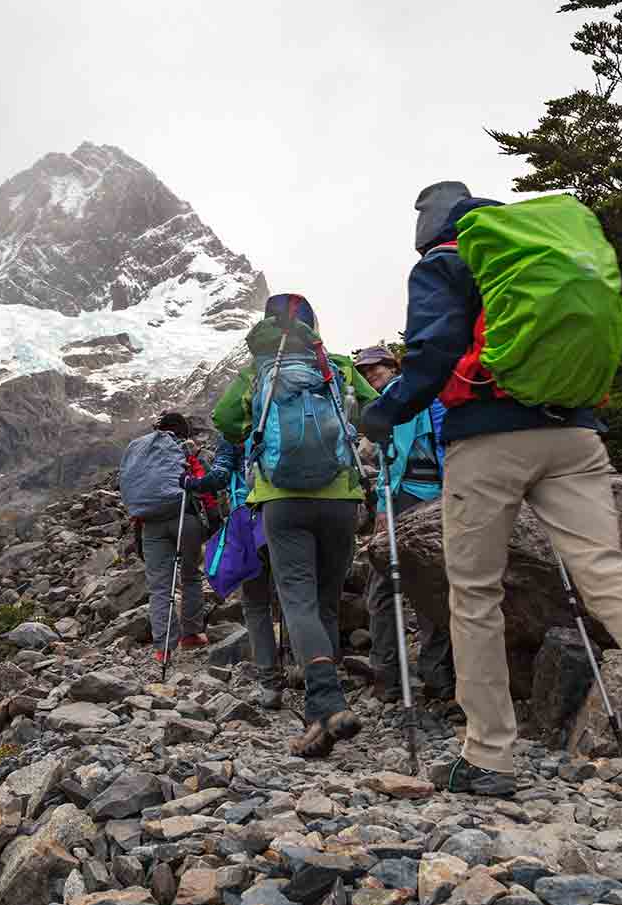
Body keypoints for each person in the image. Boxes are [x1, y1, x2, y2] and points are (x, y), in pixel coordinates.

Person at [361, 181, 622, 807]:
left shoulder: (445, 260)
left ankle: (488, 756)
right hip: (574, 434)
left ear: (427, 225)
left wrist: (387, 409)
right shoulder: (536, 250)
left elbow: (434, 353)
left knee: (474, 593)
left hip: (490, 439)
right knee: (611, 579)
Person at [211, 293, 380, 755]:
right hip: (341, 498)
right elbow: (376, 411)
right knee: (325, 602)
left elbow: (223, 418)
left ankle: (326, 698)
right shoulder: (339, 366)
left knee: (297, 601)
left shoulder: (258, 369)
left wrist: (251, 434)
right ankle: (320, 716)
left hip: (281, 500)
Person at [353, 344, 455, 706]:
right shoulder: (421, 396)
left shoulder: (399, 401)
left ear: (391, 366)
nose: (370, 375)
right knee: (430, 585)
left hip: (409, 498)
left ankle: (391, 677)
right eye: (365, 371)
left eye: (375, 368)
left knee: (383, 589)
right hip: (430, 496)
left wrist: (384, 506)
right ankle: (435, 675)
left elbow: (391, 462)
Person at [184, 436, 285, 709]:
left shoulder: (235, 427)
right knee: (293, 595)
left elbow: (219, 476)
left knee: (255, 602)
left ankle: (270, 683)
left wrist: (190, 483)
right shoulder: (290, 412)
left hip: (248, 516)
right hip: (289, 509)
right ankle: (304, 670)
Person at [137, 411, 209, 663]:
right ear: (183, 431)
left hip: (151, 523)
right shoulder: (185, 450)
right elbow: (204, 481)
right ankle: (191, 634)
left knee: (159, 586)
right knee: (190, 575)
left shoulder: (145, 452)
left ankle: (163, 647)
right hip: (184, 517)